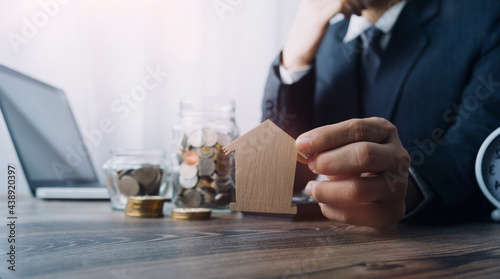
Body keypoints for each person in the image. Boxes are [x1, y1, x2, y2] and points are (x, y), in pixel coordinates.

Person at [262, 0, 500, 227]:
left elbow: (483, 148)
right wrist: (293, 61)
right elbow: (274, 175)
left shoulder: (484, 18)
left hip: (432, 245)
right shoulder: (323, 37)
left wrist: (406, 187)